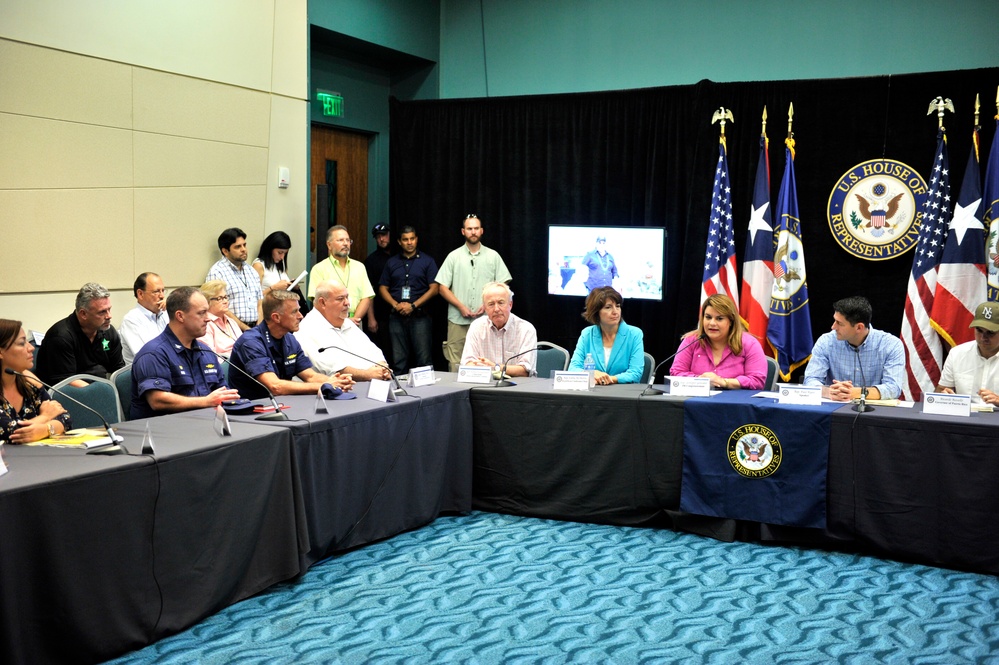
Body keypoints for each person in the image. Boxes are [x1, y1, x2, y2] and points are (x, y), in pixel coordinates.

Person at [130, 287, 240, 420]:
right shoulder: (153, 354)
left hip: (205, 425)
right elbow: (157, 400)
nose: (208, 319)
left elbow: (223, 393)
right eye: (201, 313)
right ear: (180, 316)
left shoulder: (206, 351)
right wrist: (206, 401)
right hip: (164, 432)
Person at [229, 290, 354, 400]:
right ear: (276, 317)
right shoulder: (250, 342)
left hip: (283, 405)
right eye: (294, 312)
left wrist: (334, 381)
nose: (300, 316)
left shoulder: (289, 338)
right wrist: (324, 386)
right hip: (252, 412)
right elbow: (275, 386)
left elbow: (310, 376)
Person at [436, 215, 513, 370]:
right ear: (463, 231)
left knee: (485, 361)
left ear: (481, 231)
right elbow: (442, 287)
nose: (473, 232)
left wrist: (488, 305)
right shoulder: (453, 256)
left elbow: (503, 284)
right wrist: (461, 306)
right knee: (456, 363)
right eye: (470, 229)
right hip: (458, 320)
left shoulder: (493, 256)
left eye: (476, 228)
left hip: (487, 320)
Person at [803, 296, 905, 401]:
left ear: (859, 327)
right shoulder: (826, 341)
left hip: (874, 413)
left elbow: (893, 388)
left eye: (839, 323)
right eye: (835, 320)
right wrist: (830, 392)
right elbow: (811, 380)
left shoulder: (891, 345)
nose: (833, 327)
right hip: (834, 410)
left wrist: (854, 393)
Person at [668, 293, 767, 390]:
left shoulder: (749, 344)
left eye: (719, 318)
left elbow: (757, 381)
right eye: (708, 317)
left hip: (735, 403)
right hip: (696, 402)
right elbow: (676, 372)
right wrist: (699, 380)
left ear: (731, 321)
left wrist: (724, 382)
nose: (712, 323)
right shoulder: (691, 341)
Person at [297, 281, 392, 381]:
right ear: (323, 303)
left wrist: (383, 367)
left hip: (370, 382)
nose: (347, 303)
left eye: (347, 297)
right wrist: (368, 374)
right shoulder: (308, 328)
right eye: (340, 299)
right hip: (336, 390)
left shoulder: (347, 323)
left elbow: (373, 351)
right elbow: (333, 369)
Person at [35, 282, 125, 386]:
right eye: (102, 312)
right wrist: (102, 394)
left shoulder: (108, 331)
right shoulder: (60, 337)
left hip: (99, 391)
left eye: (109, 309)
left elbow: (119, 370)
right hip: (67, 396)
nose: (109, 316)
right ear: (83, 314)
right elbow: (66, 382)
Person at [378, 225, 439, 373]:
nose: (409, 242)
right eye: (405, 240)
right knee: (398, 361)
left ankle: (428, 393)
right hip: (396, 316)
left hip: (420, 316)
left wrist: (413, 305)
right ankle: (401, 393)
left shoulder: (427, 261)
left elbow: (435, 288)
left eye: (412, 239)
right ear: (399, 242)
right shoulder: (391, 262)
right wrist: (395, 304)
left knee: (424, 360)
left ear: (417, 240)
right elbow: (382, 288)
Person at [1, 319, 72, 444]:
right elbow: (12, 434)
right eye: (22, 343)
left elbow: (64, 418)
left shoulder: (29, 382)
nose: (31, 348)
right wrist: (45, 417)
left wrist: (46, 429)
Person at [569, 286, 645, 385]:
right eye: (608, 307)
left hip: (624, 394)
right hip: (592, 394)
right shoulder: (587, 334)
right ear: (596, 312)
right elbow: (573, 368)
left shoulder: (634, 334)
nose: (615, 312)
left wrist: (608, 379)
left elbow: (635, 373)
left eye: (617, 306)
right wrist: (592, 374)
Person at [460, 282, 536, 377]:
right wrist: (481, 367)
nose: (496, 309)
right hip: (484, 386)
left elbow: (525, 370)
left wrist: (495, 367)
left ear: (510, 305)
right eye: (491, 304)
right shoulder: (476, 327)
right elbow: (467, 363)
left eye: (501, 303)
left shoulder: (526, 329)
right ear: (485, 308)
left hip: (518, 388)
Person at [307, 225, 375, 326]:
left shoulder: (359, 267)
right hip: (330, 324)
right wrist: (341, 321)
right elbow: (318, 302)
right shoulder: (319, 269)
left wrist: (355, 319)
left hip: (355, 322)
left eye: (348, 240)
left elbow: (366, 296)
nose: (345, 243)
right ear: (329, 245)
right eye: (340, 240)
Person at [936, 301, 999, 405]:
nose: (983, 337)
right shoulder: (957, 354)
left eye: (990, 332)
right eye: (979, 330)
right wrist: (943, 396)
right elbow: (940, 391)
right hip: (964, 418)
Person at [206, 227, 263, 330]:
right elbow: (217, 307)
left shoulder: (251, 271)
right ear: (225, 251)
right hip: (231, 329)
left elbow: (260, 303)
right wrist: (245, 329)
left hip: (256, 329)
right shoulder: (217, 272)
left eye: (244, 245)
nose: (243, 249)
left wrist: (258, 328)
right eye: (237, 247)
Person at [252, 231, 309, 315]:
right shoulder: (259, 265)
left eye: (285, 253)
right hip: (269, 312)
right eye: (280, 252)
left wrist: (292, 286)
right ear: (270, 249)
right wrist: (273, 288)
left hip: (284, 311)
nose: (282, 257)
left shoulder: (279, 265)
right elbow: (254, 297)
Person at [120, 272, 168, 364]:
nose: (162, 296)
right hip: (147, 373)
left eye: (163, 290)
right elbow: (149, 357)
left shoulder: (167, 314)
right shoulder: (131, 320)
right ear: (140, 294)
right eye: (156, 291)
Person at [364, 223, 395, 355]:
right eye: (378, 237)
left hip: (401, 314)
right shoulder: (371, 261)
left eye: (384, 235)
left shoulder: (400, 255)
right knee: (385, 350)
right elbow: (368, 291)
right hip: (381, 314)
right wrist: (371, 318)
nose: (381, 239)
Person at [197, 280, 243, 358]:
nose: (225, 301)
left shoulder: (231, 321)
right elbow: (209, 356)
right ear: (207, 302)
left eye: (225, 297)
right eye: (220, 298)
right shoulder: (205, 324)